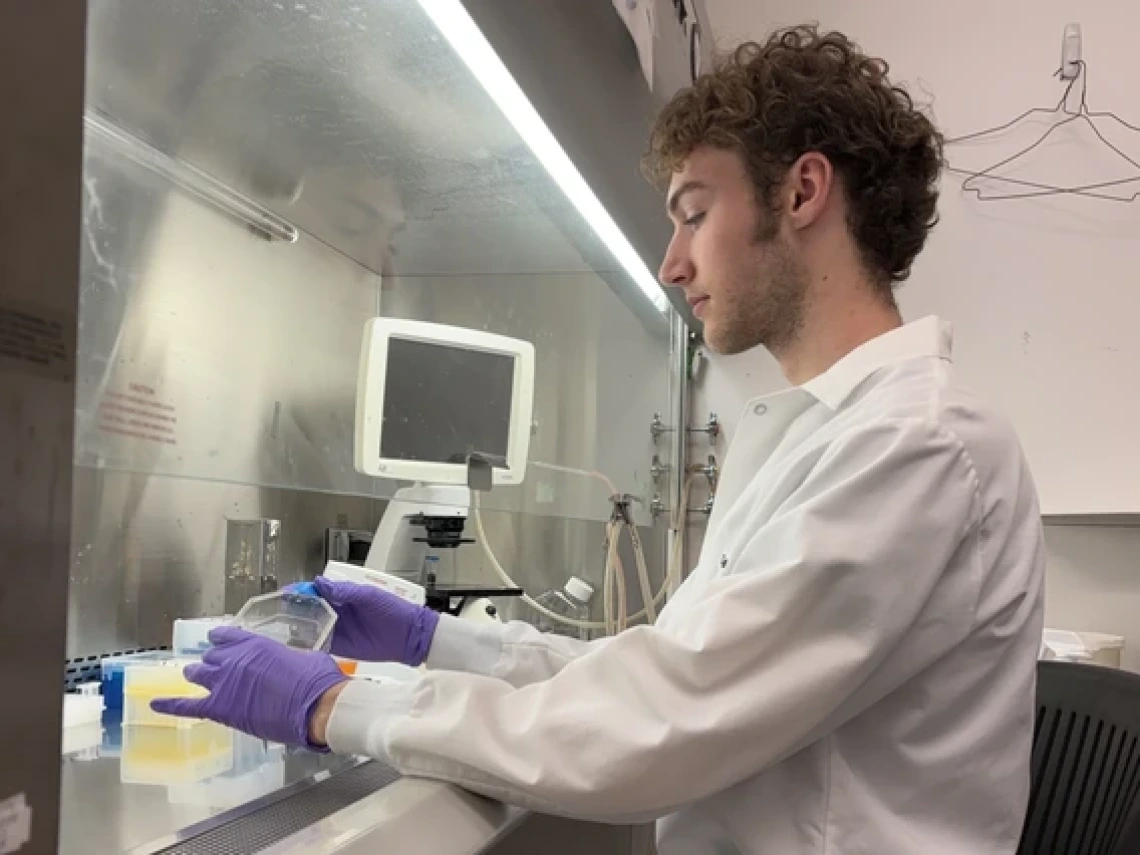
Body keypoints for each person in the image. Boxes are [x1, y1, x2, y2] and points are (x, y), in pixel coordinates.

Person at [154, 26, 1046, 855]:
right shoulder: (818, 435)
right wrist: (438, 641)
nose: (672, 262)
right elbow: (669, 673)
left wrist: (333, 702)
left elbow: (660, 721)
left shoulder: (915, 446)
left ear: (802, 192)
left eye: (694, 213)